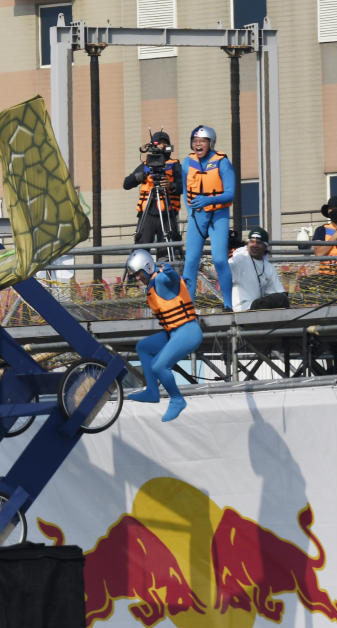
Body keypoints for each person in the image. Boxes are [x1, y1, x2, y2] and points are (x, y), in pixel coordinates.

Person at [125, 249, 202, 422]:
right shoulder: (152, 285)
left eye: (138, 274)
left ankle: (177, 399)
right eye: (135, 275)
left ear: (147, 267)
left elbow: (172, 281)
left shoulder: (159, 279)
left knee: (159, 366)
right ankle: (152, 391)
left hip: (188, 331)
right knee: (143, 347)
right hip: (173, 332)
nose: (137, 278)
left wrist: (172, 273)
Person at [181, 124, 235, 310]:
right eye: (195, 141)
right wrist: (191, 211)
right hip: (197, 217)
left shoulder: (222, 162)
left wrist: (207, 200)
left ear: (210, 143)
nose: (198, 145)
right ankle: (189, 307)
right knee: (190, 261)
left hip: (218, 214)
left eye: (202, 141)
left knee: (220, 259)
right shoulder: (187, 163)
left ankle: (228, 304)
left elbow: (230, 193)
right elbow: (184, 191)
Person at [123, 131, 183, 256]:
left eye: (164, 143)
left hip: (167, 215)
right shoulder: (146, 166)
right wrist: (140, 176)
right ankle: (137, 273)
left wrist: (171, 185)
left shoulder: (174, 165)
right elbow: (126, 184)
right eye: (158, 143)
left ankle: (166, 273)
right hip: (148, 215)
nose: (161, 146)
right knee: (140, 250)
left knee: (167, 252)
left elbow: (184, 187)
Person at [228, 227, 288, 311]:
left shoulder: (268, 267)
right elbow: (222, 272)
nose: (254, 245)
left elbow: (278, 292)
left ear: (265, 246)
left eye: (259, 243)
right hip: (242, 308)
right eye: (252, 242)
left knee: (282, 299)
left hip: (257, 309)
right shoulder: (240, 258)